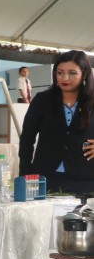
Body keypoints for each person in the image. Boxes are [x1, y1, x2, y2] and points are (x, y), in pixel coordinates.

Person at [19, 50, 94, 194]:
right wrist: (25, 174)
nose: (65, 77)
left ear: (84, 74)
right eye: (60, 72)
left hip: (87, 180)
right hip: (46, 178)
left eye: (72, 73)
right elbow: (27, 138)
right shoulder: (42, 100)